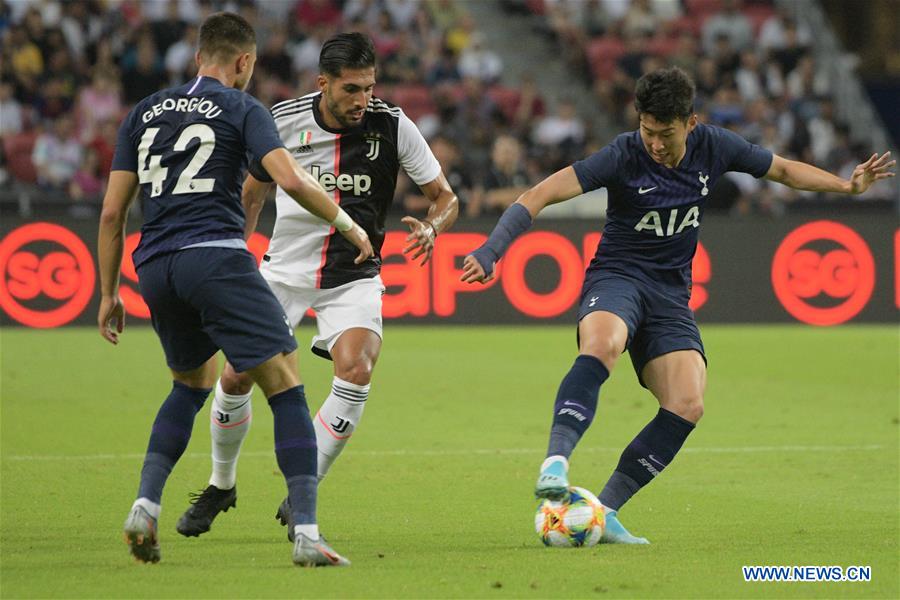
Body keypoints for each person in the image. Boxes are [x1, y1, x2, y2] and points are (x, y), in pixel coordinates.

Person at [461, 67, 894, 544]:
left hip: (670, 295)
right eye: (648, 132)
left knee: (688, 403)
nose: (655, 145)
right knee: (602, 343)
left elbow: (784, 170)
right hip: (617, 277)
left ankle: (604, 512)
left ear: (690, 123)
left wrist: (847, 186)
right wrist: (491, 250)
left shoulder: (716, 146)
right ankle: (556, 461)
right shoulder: (623, 154)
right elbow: (538, 195)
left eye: (665, 135)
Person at [97, 12, 373, 566]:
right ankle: (308, 534)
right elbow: (290, 178)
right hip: (216, 258)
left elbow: (110, 214)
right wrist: (349, 225)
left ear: (198, 56)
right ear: (244, 61)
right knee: (287, 386)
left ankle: (145, 506)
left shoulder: (143, 113)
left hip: (154, 266)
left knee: (190, 386)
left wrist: (108, 293)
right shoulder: (243, 107)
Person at [175, 32, 458, 542]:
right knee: (237, 376)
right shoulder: (282, 120)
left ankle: (305, 488)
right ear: (323, 82)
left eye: (369, 88)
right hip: (284, 270)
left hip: (354, 274)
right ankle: (222, 484)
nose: (362, 101)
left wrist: (433, 227)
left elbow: (444, 196)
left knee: (358, 367)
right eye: (352, 90)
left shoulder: (393, 126)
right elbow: (252, 195)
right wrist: (233, 257)